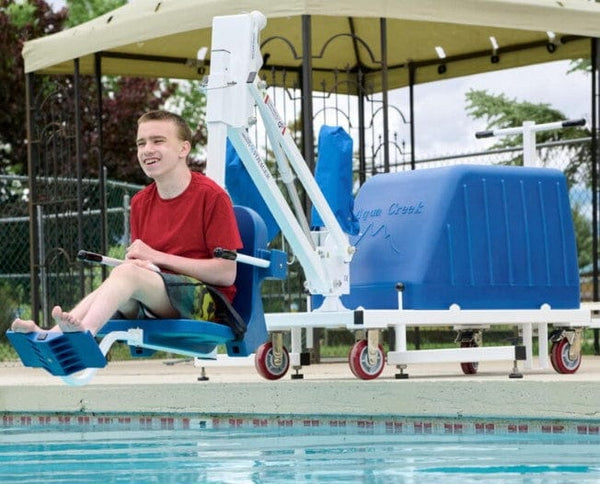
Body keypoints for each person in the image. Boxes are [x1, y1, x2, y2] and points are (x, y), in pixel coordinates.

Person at [11, 110, 242, 335]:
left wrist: (156, 257)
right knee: (124, 272)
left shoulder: (213, 197)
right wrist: (142, 263)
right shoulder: (140, 201)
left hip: (206, 303)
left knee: (126, 274)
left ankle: (86, 333)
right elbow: (142, 266)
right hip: (154, 296)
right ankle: (51, 335)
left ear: (184, 148)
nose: (147, 150)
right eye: (141, 143)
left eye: (157, 141)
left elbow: (226, 273)